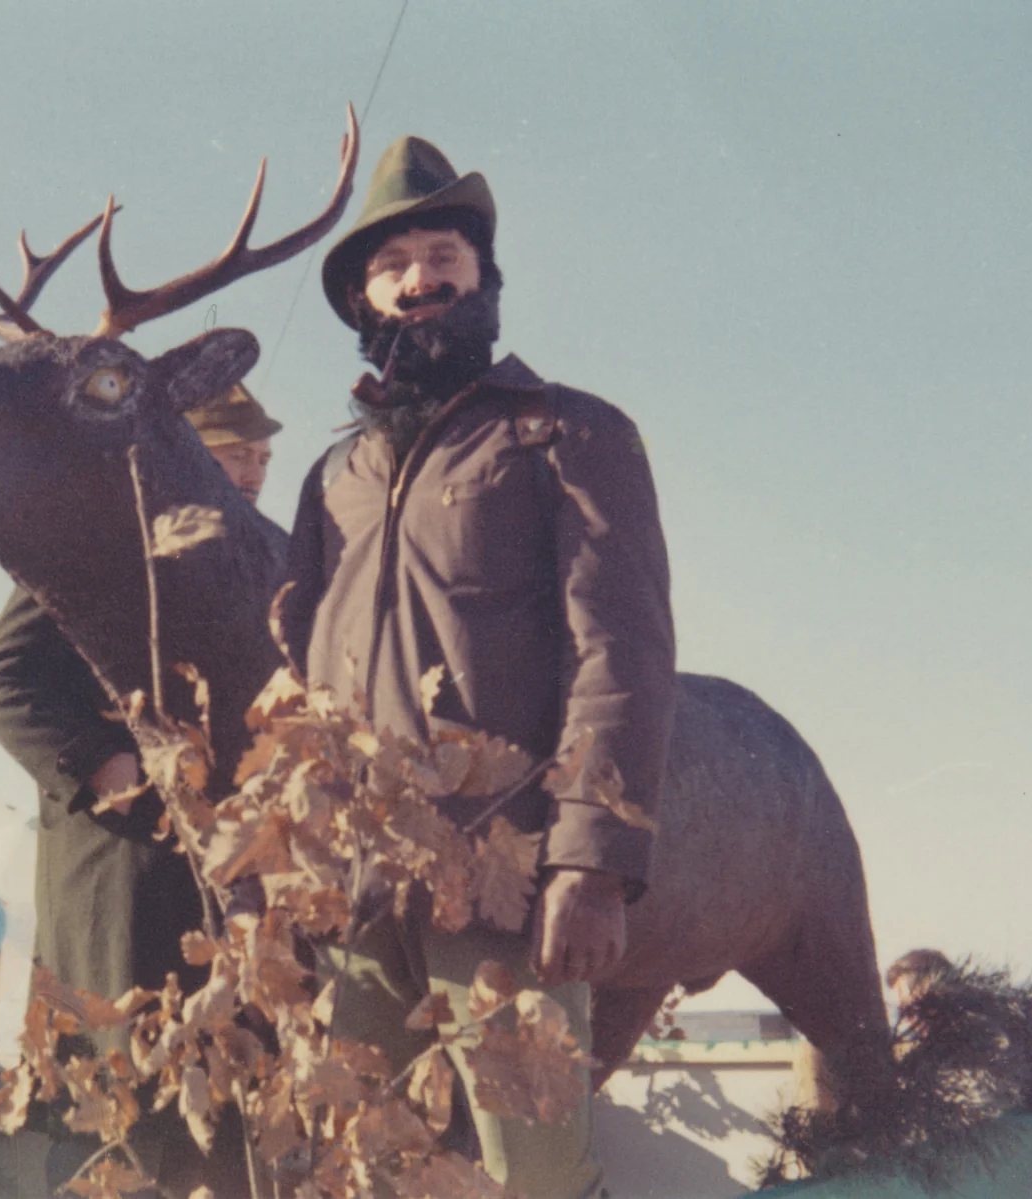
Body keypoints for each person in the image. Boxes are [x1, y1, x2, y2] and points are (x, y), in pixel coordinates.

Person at [281, 136, 677, 1198]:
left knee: (532, 1172)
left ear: (482, 276)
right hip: (357, 892)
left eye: (442, 251)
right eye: (392, 260)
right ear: (360, 297)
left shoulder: (567, 435)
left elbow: (621, 654)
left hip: (503, 885)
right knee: (360, 1166)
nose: (420, 276)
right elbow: (299, 678)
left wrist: (587, 861)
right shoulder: (332, 478)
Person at [0, 384, 283, 1193]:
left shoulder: (272, 555)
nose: (250, 470)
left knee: (229, 1127)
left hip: (231, 886)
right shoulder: (103, 546)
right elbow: (4, 680)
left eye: (262, 456)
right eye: (232, 451)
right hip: (118, 883)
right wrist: (117, 769)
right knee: (117, 1120)